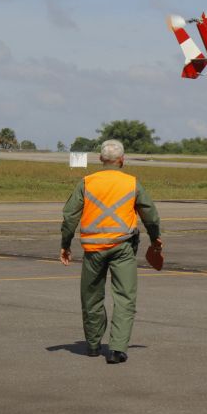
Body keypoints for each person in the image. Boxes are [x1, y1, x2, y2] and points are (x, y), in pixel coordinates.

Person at [60, 139, 162, 364]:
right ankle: (117, 349)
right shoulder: (132, 183)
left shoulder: (87, 182)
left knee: (91, 297)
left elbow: (69, 216)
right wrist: (155, 239)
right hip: (122, 247)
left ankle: (94, 345)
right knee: (125, 297)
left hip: (93, 250)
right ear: (122, 160)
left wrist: (65, 244)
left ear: (100, 159)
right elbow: (151, 215)